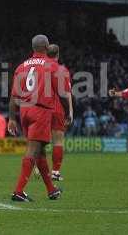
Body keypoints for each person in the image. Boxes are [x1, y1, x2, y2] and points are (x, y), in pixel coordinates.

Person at [8, 34, 72, 202]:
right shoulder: (52, 65)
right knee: (32, 150)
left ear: (33, 47)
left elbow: (14, 95)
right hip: (40, 111)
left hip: (24, 111)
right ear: (47, 46)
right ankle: (18, 191)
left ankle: (51, 190)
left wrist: (12, 118)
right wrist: (67, 111)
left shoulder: (22, 66)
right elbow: (63, 93)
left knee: (40, 152)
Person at [47, 44, 72, 181]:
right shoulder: (62, 70)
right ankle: (55, 172)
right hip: (57, 108)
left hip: (41, 108)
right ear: (58, 54)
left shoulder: (40, 68)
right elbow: (66, 93)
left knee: (39, 141)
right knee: (58, 141)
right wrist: (70, 112)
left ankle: (39, 167)